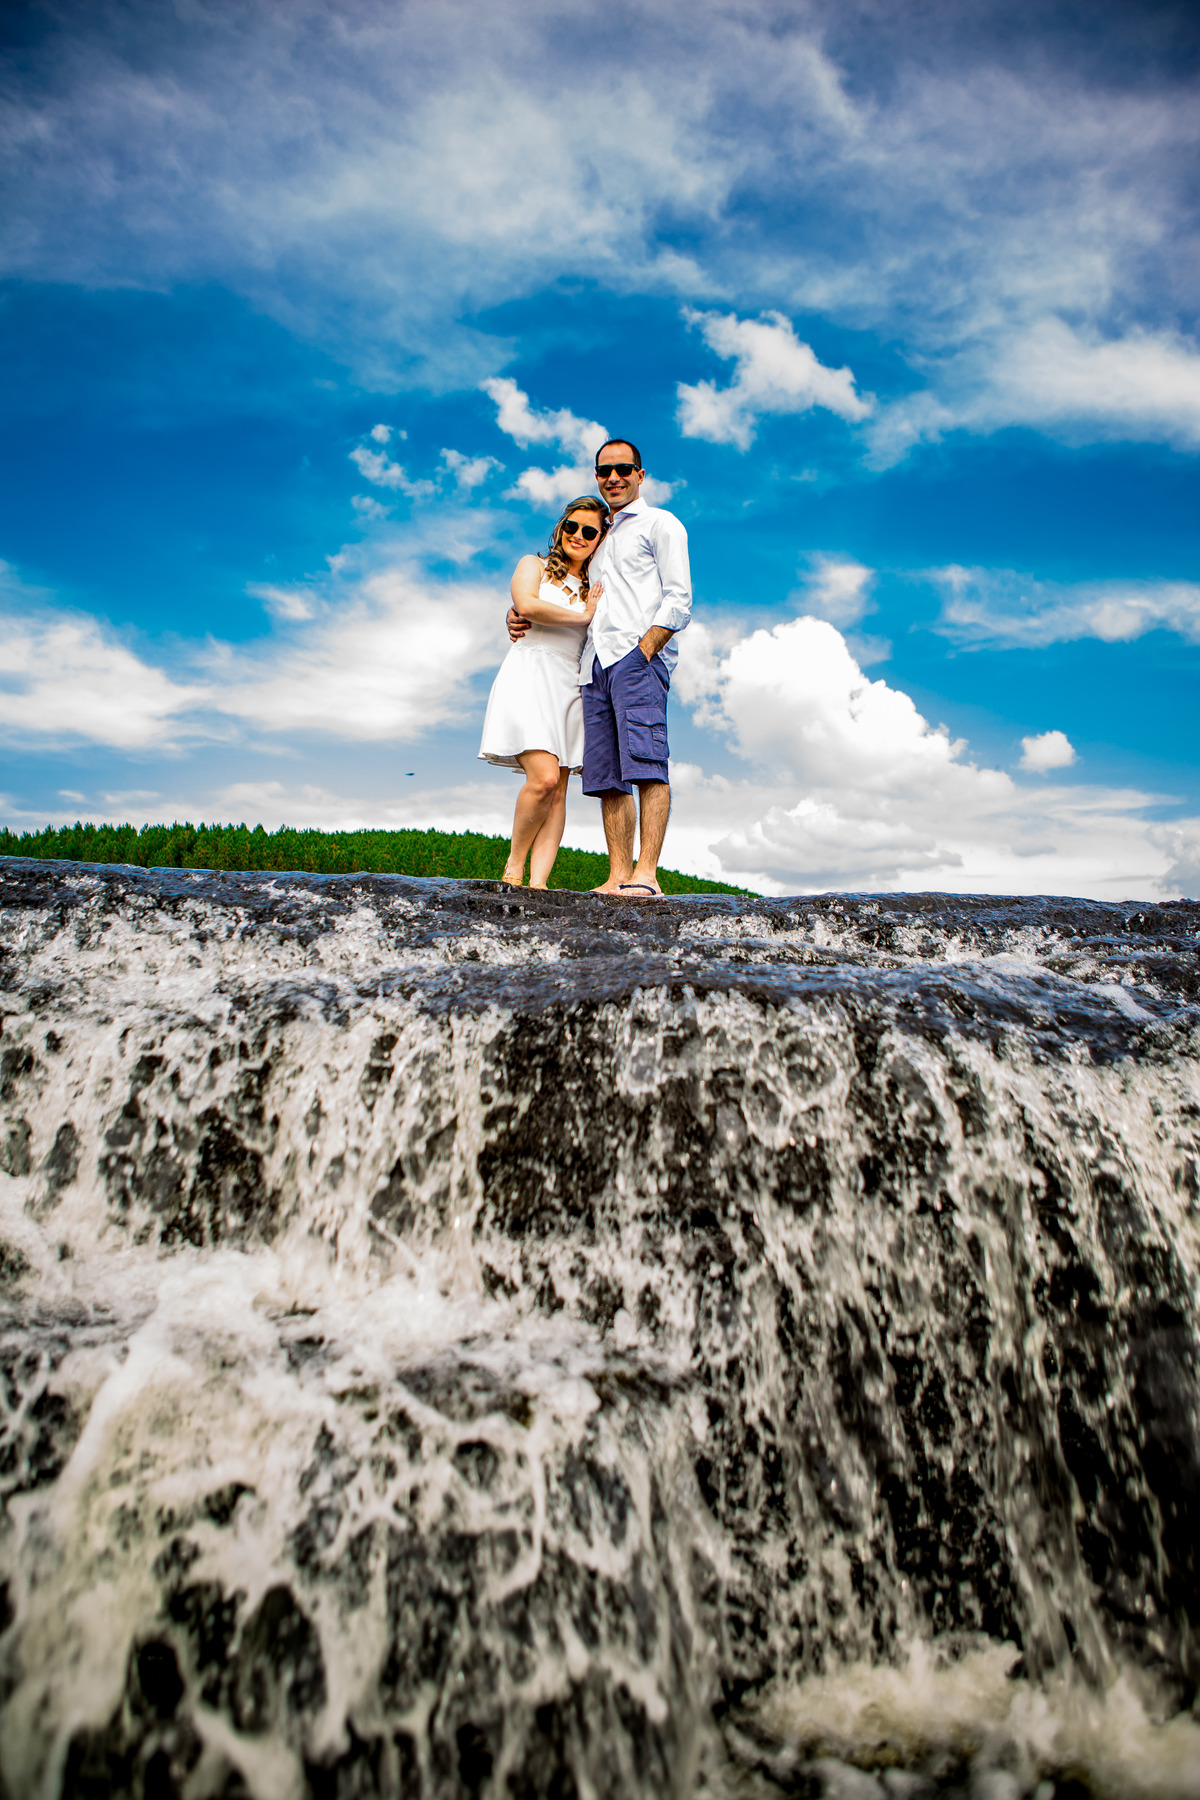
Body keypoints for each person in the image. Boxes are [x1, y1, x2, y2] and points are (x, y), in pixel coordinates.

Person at [507, 439, 691, 897]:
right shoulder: (600, 538)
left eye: (624, 469)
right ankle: (617, 876)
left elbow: (679, 598)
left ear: (640, 474)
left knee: (647, 763)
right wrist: (517, 615)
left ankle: (646, 875)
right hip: (592, 667)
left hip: (636, 658)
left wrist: (645, 650)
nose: (614, 477)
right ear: (596, 475)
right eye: (604, 470)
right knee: (606, 775)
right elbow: (556, 593)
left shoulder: (660, 523)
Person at [479, 496, 610, 887]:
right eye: (572, 526)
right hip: (530, 673)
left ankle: (539, 884)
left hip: (569, 684)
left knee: (560, 790)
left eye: (590, 531)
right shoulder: (532, 565)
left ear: (600, 539)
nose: (578, 536)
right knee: (544, 778)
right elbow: (527, 604)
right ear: (560, 528)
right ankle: (513, 869)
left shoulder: (596, 585)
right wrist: (583, 615)